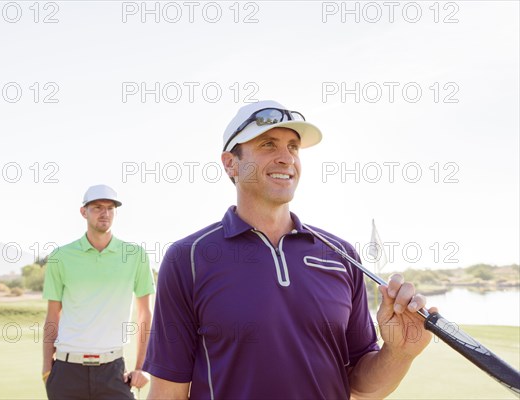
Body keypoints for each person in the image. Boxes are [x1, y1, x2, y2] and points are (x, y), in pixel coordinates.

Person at [143, 100, 436, 399]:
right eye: (268, 144)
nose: (286, 158)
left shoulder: (341, 256)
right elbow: (168, 392)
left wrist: (400, 353)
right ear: (230, 162)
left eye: (293, 147)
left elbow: (361, 387)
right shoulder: (187, 258)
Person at [42, 184, 155, 400]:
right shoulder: (60, 257)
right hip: (67, 372)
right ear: (83, 212)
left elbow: (145, 315)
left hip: (113, 372)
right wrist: (47, 369)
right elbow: (52, 315)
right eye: (97, 207)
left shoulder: (136, 255)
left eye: (110, 208)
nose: (105, 213)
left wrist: (142, 366)